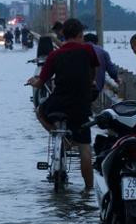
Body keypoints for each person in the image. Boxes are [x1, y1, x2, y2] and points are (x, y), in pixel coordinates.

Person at [26, 17, 98, 190]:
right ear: (81, 34)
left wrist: (32, 81)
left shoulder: (55, 55)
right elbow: (94, 71)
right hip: (81, 104)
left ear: (63, 35)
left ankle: (57, 134)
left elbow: (42, 81)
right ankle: (88, 191)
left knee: (39, 111)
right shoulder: (88, 50)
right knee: (85, 150)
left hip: (58, 103)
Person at [83, 32, 119, 99]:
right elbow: (111, 70)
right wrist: (116, 79)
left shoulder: (79, 50)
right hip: (96, 88)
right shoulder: (103, 52)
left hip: (80, 88)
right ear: (96, 42)